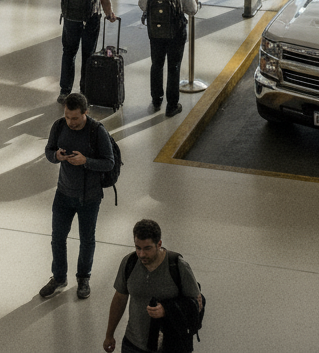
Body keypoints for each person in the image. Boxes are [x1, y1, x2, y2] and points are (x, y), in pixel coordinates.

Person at [39, 91, 116, 301]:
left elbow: (109, 162)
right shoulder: (58, 126)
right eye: (67, 117)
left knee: (87, 240)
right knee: (57, 238)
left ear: (85, 113)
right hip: (63, 193)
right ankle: (59, 278)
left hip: (89, 197)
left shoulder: (97, 131)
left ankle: (83, 278)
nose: (71, 122)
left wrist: (86, 161)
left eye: (75, 118)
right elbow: (48, 151)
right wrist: (56, 156)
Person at [104, 219, 202, 353]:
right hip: (133, 343)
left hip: (169, 346)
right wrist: (109, 335)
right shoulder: (129, 262)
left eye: (147, 248)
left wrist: (167, 309)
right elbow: (120, 298)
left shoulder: (178, 266)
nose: (141, 254)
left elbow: (197, 305)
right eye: (138, 248)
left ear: (159, 244)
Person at [52, 0, 116, 102]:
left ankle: (65, 91)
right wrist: (109, 14)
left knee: (68, 53)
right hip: (91, 19)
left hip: (70, 18)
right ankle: (85, 90)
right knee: (88, 55)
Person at [137, 0, 197, 118]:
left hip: (155, 31)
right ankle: (172, 106)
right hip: (175, 33)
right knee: (173, 66)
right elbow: (192, 10)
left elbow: (142, 5)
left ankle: (156, 100)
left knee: (156, 64)